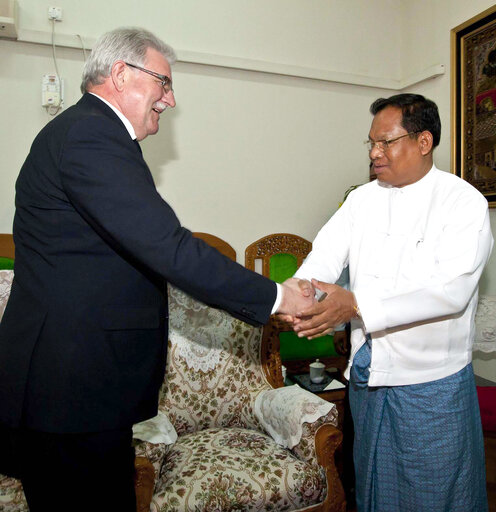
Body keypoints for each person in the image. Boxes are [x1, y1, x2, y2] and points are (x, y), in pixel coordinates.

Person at [0, 27, 313, 512]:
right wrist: (279, 297)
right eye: (163, 83)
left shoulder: (91, 135)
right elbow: (168, 246)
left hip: (79, 387)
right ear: (120, 74)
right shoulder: (91, 136)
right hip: (69, 390)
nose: (169, 99)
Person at [291, 93, 492, 511]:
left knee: (436, 493)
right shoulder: (362, 200)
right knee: (372, 485)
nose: (375, 153)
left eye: (386, 142)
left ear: (423, 142)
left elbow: (450, 291)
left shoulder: (462, 202)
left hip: (430, 382)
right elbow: (323, 257)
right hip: (370, 370)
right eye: (371, 143)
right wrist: (297, 293)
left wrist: (357, 305)